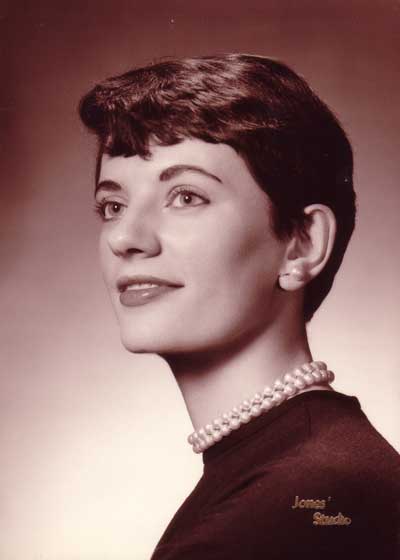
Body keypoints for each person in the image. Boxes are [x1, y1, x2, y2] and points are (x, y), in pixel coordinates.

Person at [79, 54, 400, 559]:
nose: (125, 237)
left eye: (186, 197)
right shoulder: (318, 468)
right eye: (113, 206)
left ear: (301, 244)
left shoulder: (290, 509)